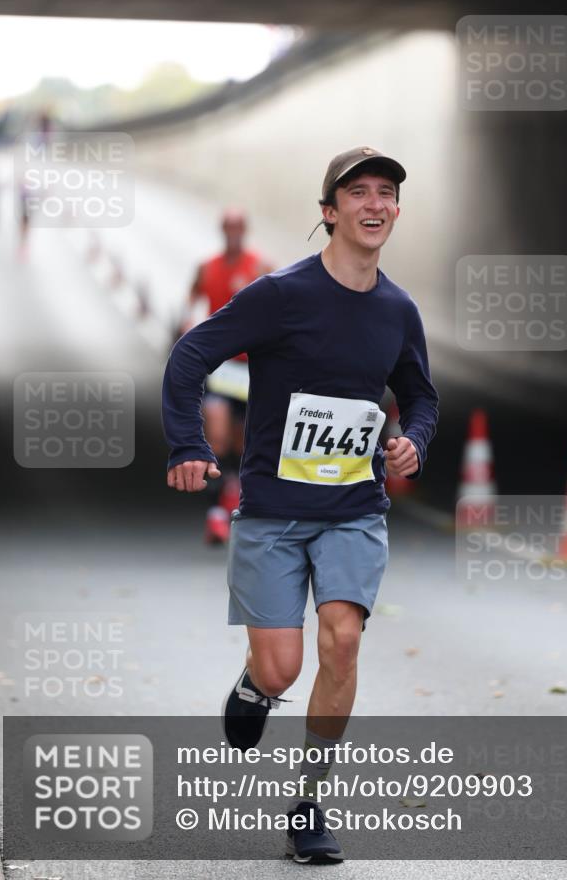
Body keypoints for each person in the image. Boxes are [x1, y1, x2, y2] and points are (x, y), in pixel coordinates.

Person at [162, 146, 439, 863]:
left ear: (395, 211)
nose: (375, 204)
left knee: (342, 639)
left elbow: (420, 396)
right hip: (273, 513)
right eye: (358, 193)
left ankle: (309, 802)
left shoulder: (397, 309)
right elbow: (191, 356)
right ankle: (258, 686)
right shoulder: (281, 295)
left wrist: (413, 440)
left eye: (386, 193)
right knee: (283, 668)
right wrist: (188, 445)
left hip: (353, 509)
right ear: (329, 212)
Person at [184, 207, 272, 542]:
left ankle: (234, 492)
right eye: (228, 227)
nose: (233, 232)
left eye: (239, 227)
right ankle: (216, 513)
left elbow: (284, 302)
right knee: (217, 434)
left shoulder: (261, 267)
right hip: (221, 366)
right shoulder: (207, 268)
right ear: (222, 230)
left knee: (245, 440)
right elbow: (190, 300)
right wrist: (188, 326)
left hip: (253, 368)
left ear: (245, 230)